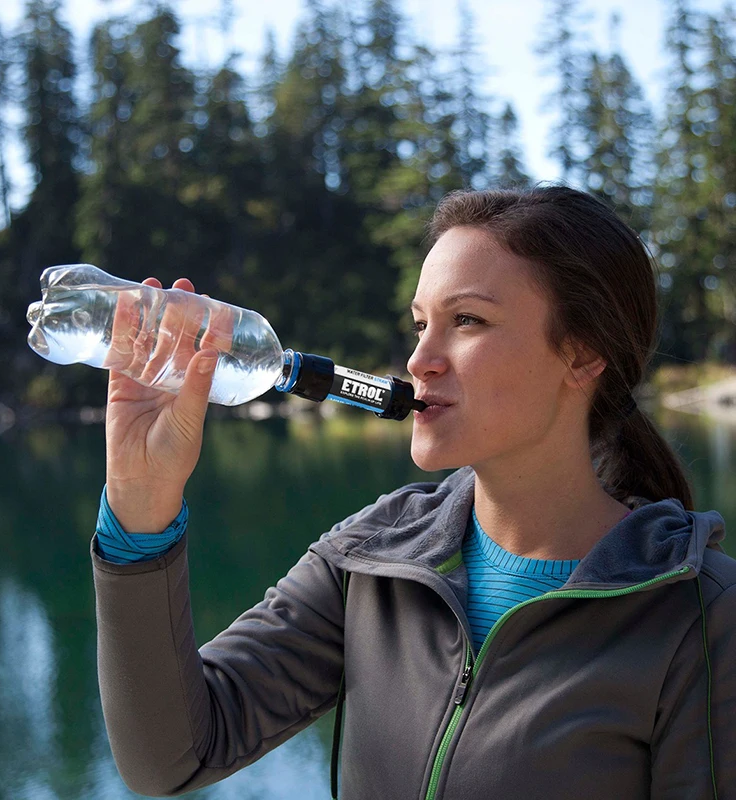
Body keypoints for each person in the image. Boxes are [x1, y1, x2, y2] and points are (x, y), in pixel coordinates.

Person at [91, 186, 735, 799]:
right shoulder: (376, 557)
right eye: (421, 323)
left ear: (582, 355)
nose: (421, 358)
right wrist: (140, 501)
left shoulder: (702, 618)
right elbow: (170, 756)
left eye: (468, 320)